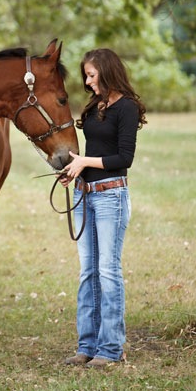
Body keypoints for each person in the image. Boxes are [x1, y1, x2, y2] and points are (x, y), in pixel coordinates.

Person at [59, 48, 147, 369]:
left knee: (108, 271)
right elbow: (93, 151)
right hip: (84, 194)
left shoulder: (127, 108)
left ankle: (110, 348)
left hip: (111, 196)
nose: (87, 80)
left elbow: (124, 159)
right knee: (88, 272)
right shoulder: (95, 105)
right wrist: (76, 169)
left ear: (107, 73)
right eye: (86, 75)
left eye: (92, 75)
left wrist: (86, 162)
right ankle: (87, 345)